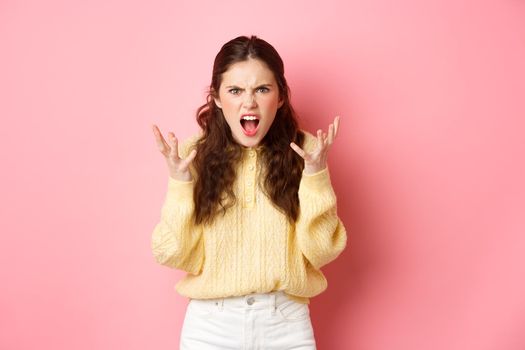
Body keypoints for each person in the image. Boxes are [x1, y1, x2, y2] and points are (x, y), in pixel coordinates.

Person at [150, 35, 347, 350]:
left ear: (280, 97)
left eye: (262, 89)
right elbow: (172, 253)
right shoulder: (190, 155)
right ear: (216, 98)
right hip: (210, 328)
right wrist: (179, 184)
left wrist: (315, 177)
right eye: (235, 91)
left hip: (286, 324)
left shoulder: (306, 151)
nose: (249, 102)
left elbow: (322, 251)